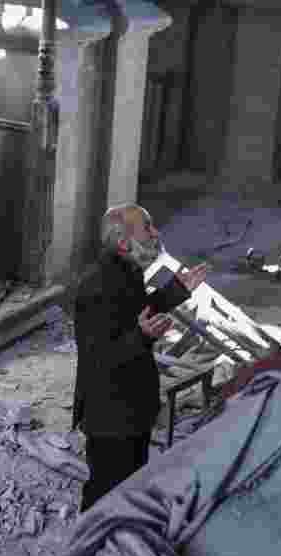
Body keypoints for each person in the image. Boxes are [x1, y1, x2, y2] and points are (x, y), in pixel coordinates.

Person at [72, 203, 207, 513]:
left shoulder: (127, 270)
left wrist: (176, 291)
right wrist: (142, 337)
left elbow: (139, 313)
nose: (156, 233)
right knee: (105, 494)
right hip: (110, 415)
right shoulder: (96, 288)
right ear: (123, 242)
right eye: (148, 227)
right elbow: (99, 358)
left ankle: (119, 546)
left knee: (131, 485)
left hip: (133, 405)